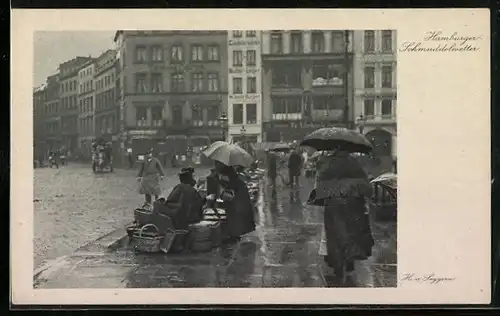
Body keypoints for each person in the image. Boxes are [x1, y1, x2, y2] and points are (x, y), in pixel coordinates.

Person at [308, 149, 374, 283]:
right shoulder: (354, 163)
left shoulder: (328, 163)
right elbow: (365, 184)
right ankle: (349, 263)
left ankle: (337, 266)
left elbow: (320, 184)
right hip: (353, 202)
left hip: (334, 203)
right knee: (351, 232)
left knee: (334, 234)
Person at [214, 161, 255, 243]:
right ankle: (235, 235)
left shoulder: (230, 179)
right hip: (239, 201)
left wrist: (221, 187)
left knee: (235, 218)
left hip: (237, 202)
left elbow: (228, 194)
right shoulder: (235, 178)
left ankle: (234, 236)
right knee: (236, 218)